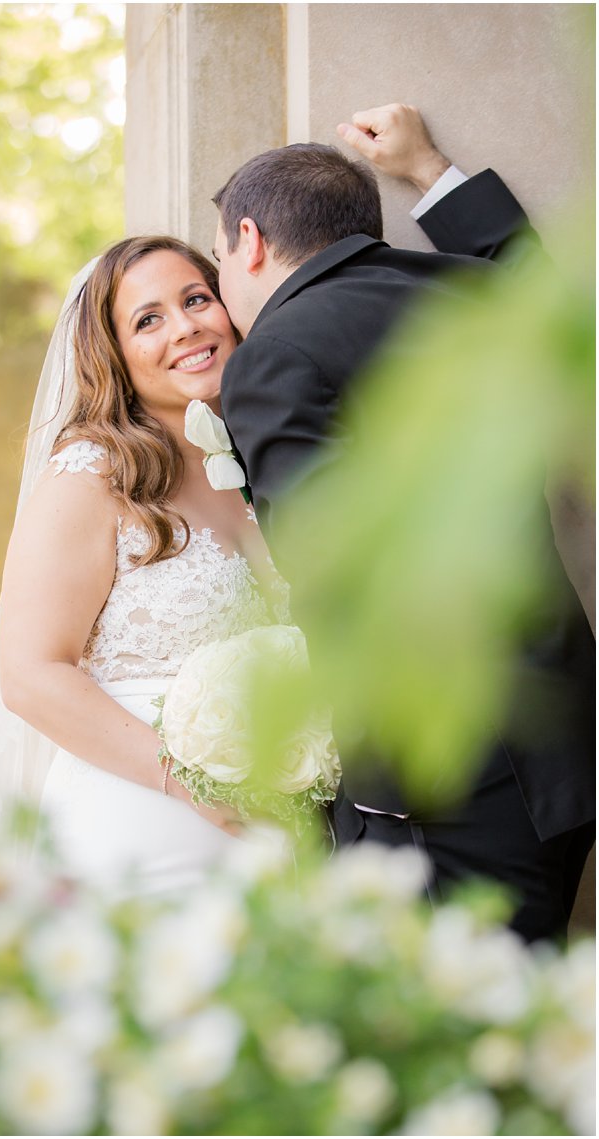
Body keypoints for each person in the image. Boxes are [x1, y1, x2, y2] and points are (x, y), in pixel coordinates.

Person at [211, 104, 595, 941]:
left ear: (248, 240)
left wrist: (363, 787)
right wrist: (431, 171)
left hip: (440, 772)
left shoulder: (273, 353)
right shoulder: (476, 291)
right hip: (563, 735)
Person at [0, 234, 291, 898]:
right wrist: (192, 784)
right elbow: (30, 675)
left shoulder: (261, 463)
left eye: (197, 299)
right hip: (139, 836)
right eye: (149, 319)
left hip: (273, 836)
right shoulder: (90, 475)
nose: (187, 326)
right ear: (115, 354)